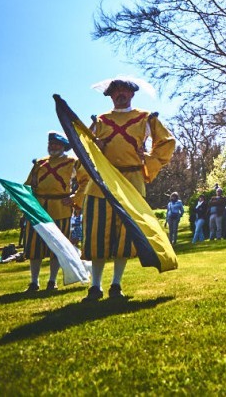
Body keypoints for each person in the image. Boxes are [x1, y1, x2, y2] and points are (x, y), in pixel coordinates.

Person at [78, 76, 175, 301]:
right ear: (110, 96)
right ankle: (95, 287)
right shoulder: (100, 120)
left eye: (124, 90)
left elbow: (167, 142)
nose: (120, 94)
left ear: (132, 94)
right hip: (100, 184)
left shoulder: (145, 118)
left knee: (124, 235)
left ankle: (116, 285)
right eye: (116, 91)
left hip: (131, 181)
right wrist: (96, 148)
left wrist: (148, 158)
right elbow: (84, 149)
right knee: (97, 234)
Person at [24, 132, 78, 292]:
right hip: (39, 208)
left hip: (61, 207)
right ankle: (34, 282)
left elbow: (85, 181)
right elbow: (28, 185)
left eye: (56, 144)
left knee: (58, 247)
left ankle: (52, 281)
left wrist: (75, 197)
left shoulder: (72, 162)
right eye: (51, 144)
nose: (52, 147)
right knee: (35, 247)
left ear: (63, 146)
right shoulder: (39, 163)